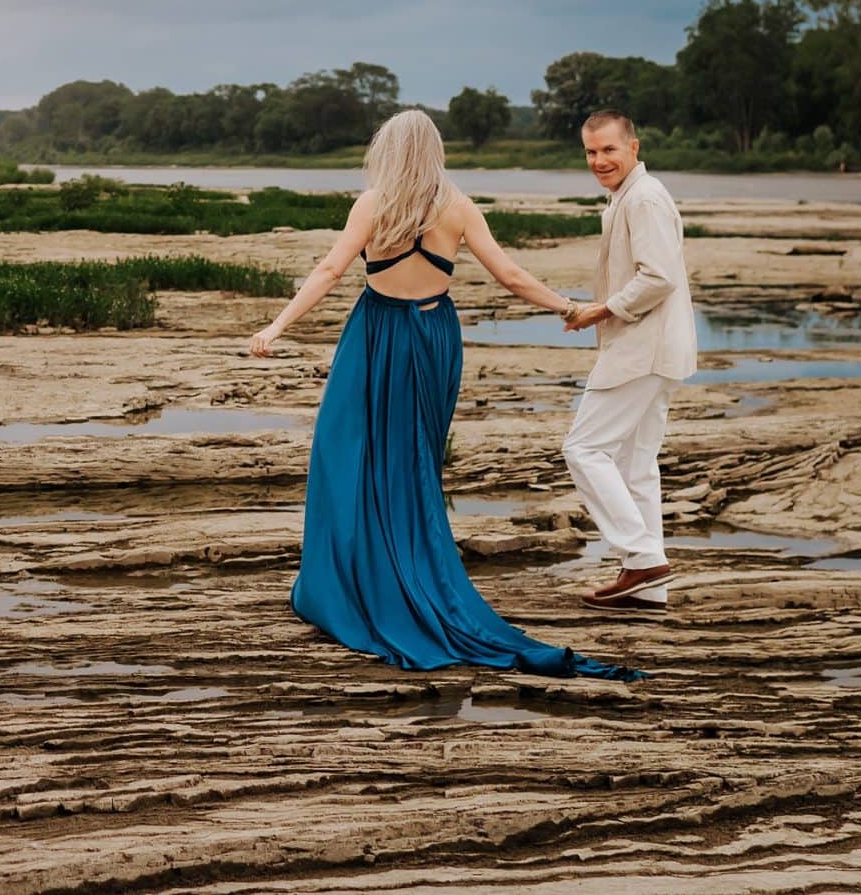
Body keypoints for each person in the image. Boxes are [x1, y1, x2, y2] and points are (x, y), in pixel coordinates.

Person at [249, 110, 635, 679]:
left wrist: (277, 326)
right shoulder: (455, 206)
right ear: (433, 152)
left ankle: (355, 581)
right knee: (412, 461)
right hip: (432, 337)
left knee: (346, 455)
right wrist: (566, 307)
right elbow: (510, 275)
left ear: (388, 150)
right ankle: (397, 571)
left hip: (376, 335)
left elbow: (331, 269)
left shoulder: (373, 203)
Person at [560, 111, 697, 614]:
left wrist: (602, 309)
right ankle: (650, 588)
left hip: (644, 349)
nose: (599, 161)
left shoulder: (644, 198)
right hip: (653, 349)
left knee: (584, 449)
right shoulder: (626, 199)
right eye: (591, 152)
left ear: (633, 148)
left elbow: (658, 277)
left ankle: (641, 558)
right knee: (635, 465)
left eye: (609, 150)